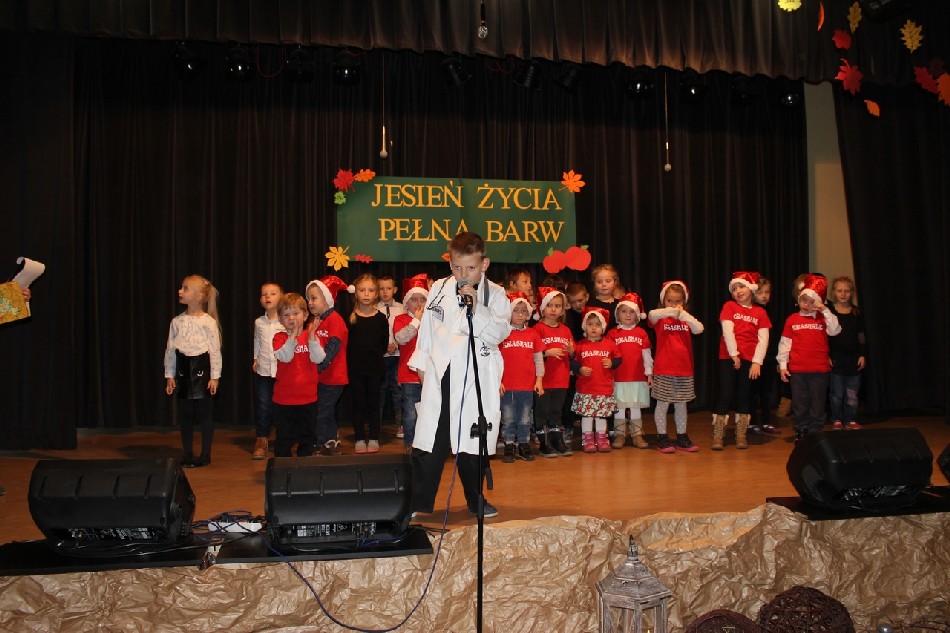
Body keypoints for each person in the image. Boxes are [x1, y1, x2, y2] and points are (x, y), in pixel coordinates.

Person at [408, 232, 511, 519]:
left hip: (476, 376)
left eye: (470, 268)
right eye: (457, 267)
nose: (463, 274)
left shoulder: (496, 295)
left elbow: (499, 333)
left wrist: (477, 307)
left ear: (484, 264)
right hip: (442, 373)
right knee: (430, 438)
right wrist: (422, 368)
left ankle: (475, 497)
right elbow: (427, 330)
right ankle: (418, 501)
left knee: (472, 439)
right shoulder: (439, 288)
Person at [164, 274, 222, 468]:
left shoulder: (208, 322)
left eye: (185, 288)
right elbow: (170, 349)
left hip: (201, 372)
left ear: (199, 296)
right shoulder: (177, 322)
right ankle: (187, 452)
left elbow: (215, 351)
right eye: (181, 287)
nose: (180, 291)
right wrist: (169, 375)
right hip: (183, 371)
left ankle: (205, 453)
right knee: (186, 414)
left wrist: (215, 377)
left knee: (205, 414)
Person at [711, 271, 772, 451]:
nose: (737, 291)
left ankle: (741, 434)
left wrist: (757, 362)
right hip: (729, 358)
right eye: (734, 289)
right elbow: (727, 331)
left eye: (741, 287)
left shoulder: (760, 312)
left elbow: (763, 339)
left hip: (749, 360)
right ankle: (718, 435)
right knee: (725, 394)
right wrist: (734, 354)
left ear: (751, 289)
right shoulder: (729, 307)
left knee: (744, 395)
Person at [777, 273, 841, 442]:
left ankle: (816, 431)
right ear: (798, 299)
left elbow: (835, 330)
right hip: (798, 371)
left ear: (818, 302)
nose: (807, 304)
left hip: (819, 370)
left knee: (818, 403)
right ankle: (801, 430)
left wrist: (825, 310)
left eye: (812, 301)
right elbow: (785, 344)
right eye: (804, 300)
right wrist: (783, 365)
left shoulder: (822, 318)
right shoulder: (792, 319)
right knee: (800, 403)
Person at [648, 280, 704, 453]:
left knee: (681, 405)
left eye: (678, 301)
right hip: (664, 368)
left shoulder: (686, 319)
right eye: (669, 301)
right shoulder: (660, 318)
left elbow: (699, 329)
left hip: (684, 370)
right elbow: (651, 315)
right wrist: (670, 311)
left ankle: (681, 436)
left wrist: (683, 315)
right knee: (662, 404)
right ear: (663, 301)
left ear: (684, 302)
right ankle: (662, 437)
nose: (673, 305)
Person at [271, 293, 326, 457]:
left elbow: (319, 358)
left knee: (307, 437)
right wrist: (293, 336)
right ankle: (283, 468)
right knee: (284, 438)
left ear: (306, 315)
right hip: (284, 400)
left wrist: (311, 338)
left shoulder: (312, 336)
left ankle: (304, 467)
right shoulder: (279, 338)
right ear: (280, 319)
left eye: (296, 313)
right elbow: (285, 357)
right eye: (286, 315)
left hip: (308, 399)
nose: (291, 318)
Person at [305, 275, 350, 455]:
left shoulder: (335, 320)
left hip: (333, 378)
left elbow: (332, 349)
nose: (310, 302)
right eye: (308, 299)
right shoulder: (315, 321)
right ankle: (332, 442)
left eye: (314, 298)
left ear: (327, 298)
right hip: (321, 377)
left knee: (321, 412)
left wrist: (317, 369)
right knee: (327, 410)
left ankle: (317, 443)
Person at [499, 291, 545, 463]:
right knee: (508, 418)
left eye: (524, 311)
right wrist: (498, 381)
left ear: (529, 314)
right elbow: (495, 360)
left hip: (526, 386)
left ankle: (524, 444)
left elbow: (538, 360)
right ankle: (509, 444)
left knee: (525, 418)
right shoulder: (501, 333)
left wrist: (539, 380)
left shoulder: (533, 334)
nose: (520, 314)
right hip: (507, 386)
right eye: (516, 310)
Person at [347, 273, 390, 453]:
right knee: (358, 404)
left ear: (376, 294)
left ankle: (373, 437)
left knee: (373, 404)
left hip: (374, 370)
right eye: (362, 290)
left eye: (371, 290)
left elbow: (383, 344)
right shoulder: (350, 318)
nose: (366, 294)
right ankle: (359, 438)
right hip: (355, 370)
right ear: (356, 293)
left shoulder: (380, 319)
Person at [532, 286, 575, 457]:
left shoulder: (566, 330)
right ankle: (544, 442)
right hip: (543, 379)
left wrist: (571, 351)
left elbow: (572, 353)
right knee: (542, 411)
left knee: (557, 411)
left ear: (562, 309)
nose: (553, 309)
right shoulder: (538, 329)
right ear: (542, 308)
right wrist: (546, 352)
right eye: (549, 305)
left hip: (561, 379)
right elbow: (532, 352)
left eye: (558, 306)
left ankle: (557, 440)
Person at [607, 293, 653, 449]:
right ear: (617, 313)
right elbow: (608, 356)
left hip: (637, 377)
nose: (628, 315)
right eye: (624, 311)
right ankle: (619, 434)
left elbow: (647, 355)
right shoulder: (612, 334)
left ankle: (637, 434)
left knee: (635, 406)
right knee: (619, 407)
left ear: (637, 315)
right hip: (618, 378)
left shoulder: (642, 333)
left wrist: (649, 374)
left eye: (632, 311)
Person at [572, 307, 620, 453]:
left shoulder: (610, 344)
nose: (594, 328)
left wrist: (612, 363)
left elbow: (618, 359)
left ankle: (602, 438)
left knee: (601, 415)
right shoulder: (580, 345)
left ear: (603, 327)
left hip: (603, 388)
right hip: (586, 388)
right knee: (587, 415)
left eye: (598, 325)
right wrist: (579, 369)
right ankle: (587, 439)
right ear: (584, 326)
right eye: (590, 324)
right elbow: (573, 362)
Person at [393, 274, 429, 450]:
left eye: (423, 299)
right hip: (409, 375)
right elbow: (401, 338)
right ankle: (410, 444)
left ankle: (426, 445)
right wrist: (417, 321)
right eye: (414, 299)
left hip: (429, 374)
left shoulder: (432, 320)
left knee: (428, 411)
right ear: (406, 302)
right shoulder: (401, 319)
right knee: (410, 413)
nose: (419, 303)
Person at [827, 276, 866, 430]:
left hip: (853, 358)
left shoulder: (856, 312)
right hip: (836, 357)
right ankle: (836, 418)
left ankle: (850, 419)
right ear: (834, 292)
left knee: (852, 393)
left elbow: (861, 334)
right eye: (839, 291)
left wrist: (862, 354)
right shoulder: (830, 312)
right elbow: (825, 336)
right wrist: (827, 355)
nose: (843, 294)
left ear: (851, 293)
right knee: (836, 394)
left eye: (847, 291)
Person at [251, 281, 284, 460]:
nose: (267, 297)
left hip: (282, 372)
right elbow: (257, 341)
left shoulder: (286, 321)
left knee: (283, 408)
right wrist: (255, 358)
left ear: (281, 298)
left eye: (272, 293)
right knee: (264, 406)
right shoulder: (259, 322)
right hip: (263, 371)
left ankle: (284, 440)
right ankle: (261, 440)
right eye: (264, 294)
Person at [748, 277, 782, 435]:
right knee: (752, 392)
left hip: (769, 358)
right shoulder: (751, 311)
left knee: (766, 392)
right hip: (754, 359)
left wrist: (778, 359)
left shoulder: (773, 312)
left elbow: (777, 337)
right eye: (760, 292)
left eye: (767, 292)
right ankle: (752, 422)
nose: (764, 296)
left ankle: (767, 421)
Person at [377, 275, 405, 436]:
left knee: (397, 391)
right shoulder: (374, 309)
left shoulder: (401, 308)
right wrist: (383, 347)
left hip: (398, 355)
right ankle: (376, 424)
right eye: (381, 288)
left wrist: (396, 345)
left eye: (388, 288)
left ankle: (400, 424)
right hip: (381, 357)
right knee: (379, 391)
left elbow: (406, 330)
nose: (385, 292)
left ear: (394, 290)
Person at [585, 264, 621, 330]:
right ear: (594, 283)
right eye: (599, 282)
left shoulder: (620, 305)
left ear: (615, 282)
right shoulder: (590, 305)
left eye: (608, 281)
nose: (604, 284)